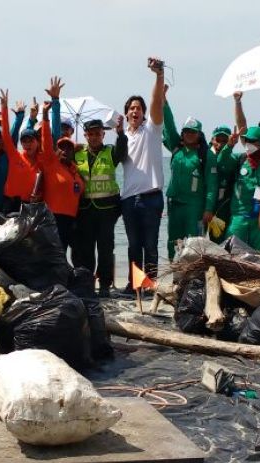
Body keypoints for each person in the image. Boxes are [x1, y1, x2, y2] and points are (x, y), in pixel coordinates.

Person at [119, 56, 167, 290]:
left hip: (151, 197)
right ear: (126, 113)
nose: (135, 111)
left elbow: (156, 102)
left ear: (144, 114)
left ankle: (151, 284)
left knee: (151, 244)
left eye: (138, 108)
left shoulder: (152, 130)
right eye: (131, 108)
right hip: (128, 199)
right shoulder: (122, 138)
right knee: (133, 245)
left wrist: (159, 75)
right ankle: (134, 283)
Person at [74, 116, 127, 296]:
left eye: (98, 133)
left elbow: (122, 152)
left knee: (105, 248)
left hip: (107, 210)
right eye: (91, 134)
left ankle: (105, 285)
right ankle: (88, 284)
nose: (94, 137)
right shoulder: (77, 154)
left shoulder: (110, 152)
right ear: (85, 135)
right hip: (85, 210)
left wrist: (120, 134)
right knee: (86, 249)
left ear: (103, 134)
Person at [212, 126, 260, 252]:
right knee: (230, 252)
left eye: (252, 141)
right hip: (239, 216)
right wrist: (229, 146)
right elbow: (221, 162)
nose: (248, 144)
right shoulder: (240, 159)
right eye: (246, 141)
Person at [162, 95, 207, 260]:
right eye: (186, 131)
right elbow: (169, 124)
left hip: (194, 205)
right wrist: (164, 102)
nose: (189, 134)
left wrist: (208, 209)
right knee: (173, 242)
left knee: (194, 243)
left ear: (199, 134)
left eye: (193, 131)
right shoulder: (176, 147)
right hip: (175, 204)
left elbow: (212, 184)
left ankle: (194, 277)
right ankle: (175, 275)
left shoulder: (204, 155)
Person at [36, 102, 84, 250]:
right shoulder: (51, 164)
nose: (65, 150)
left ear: (73, 151)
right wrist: (45, 114)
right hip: (53, 218)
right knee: (53, 256)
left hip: (72, 220)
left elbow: (79, 192)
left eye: (68, 148)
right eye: (61, 147)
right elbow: (46, 138)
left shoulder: (75, 170)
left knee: (70, 256)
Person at [0, 90, 42, 206]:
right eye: (24, 141)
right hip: (10, 205)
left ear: (37, 142)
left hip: (31, 205)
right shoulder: (15, 156)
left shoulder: (42, 161)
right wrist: (4, 108)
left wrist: (39, 196)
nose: (28, 144)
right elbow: (6, 136)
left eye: (31, 141)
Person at [202, 123, 237, 241]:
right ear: (212, 140)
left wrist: (229, 147)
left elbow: (222, 160)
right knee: (197, 241)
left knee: (219, 244)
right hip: (203, 207)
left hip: (222, 209)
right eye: (218, 139)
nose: (221, 143)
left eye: (225, 140)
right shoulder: (204, 155)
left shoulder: (232, 159)